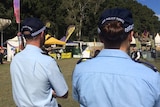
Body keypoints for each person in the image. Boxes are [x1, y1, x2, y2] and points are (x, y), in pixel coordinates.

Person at [72, 8, 160, 107]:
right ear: (131, 36)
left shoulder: (81, 70)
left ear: (100, 37)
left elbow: (79, 98)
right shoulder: (151, 76)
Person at [10, 17, 68, 107]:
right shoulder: (47, 61)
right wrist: (51, 93)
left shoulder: (15, 59)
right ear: (42, 34)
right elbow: (63, 93)